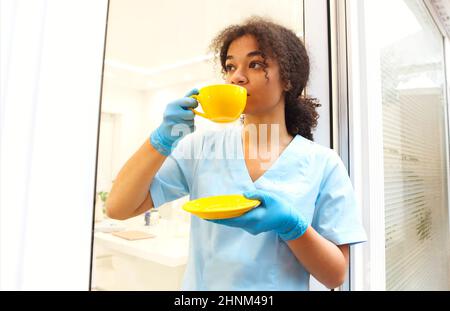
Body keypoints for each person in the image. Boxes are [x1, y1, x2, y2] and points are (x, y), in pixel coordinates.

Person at [106, 16, 367, 291]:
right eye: (230, 66)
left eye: (255, 64)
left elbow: (336, 275)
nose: (236, 77)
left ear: (288, 79)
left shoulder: (324, 164)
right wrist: (161, 140)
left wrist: (293, 227)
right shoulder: (200, 148)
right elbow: (118, 208)